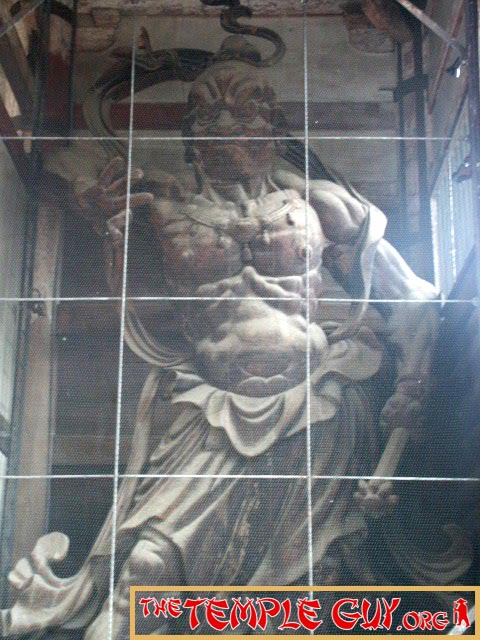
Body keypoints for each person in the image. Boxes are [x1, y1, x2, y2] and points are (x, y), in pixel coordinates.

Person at [2, 37, 462, 640]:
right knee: (145, 568)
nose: (228, 127)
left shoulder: (322, 206)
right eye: (210, 113)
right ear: (190, 134)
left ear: (275, 128)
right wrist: (96, 210)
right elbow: (61, 164)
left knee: (310, 580)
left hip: (317, 405)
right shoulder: (158, 203)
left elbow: (416, 299)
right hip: (209, 410)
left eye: (246, 111)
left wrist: (410, 388)